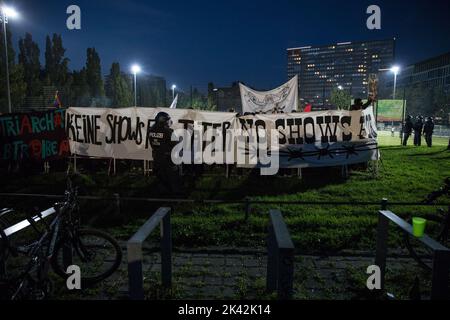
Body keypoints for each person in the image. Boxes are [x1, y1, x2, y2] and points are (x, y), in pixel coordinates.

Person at [149, 111, 181, 195]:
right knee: (173, 179)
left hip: (157, 159)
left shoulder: (151, 130)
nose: (169, 122)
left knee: (161, 179)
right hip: (168, 160)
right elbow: (176, 145)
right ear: (163, 121)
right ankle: (175, 198)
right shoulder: (169, 131)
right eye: (167, 120)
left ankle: (162, 195)